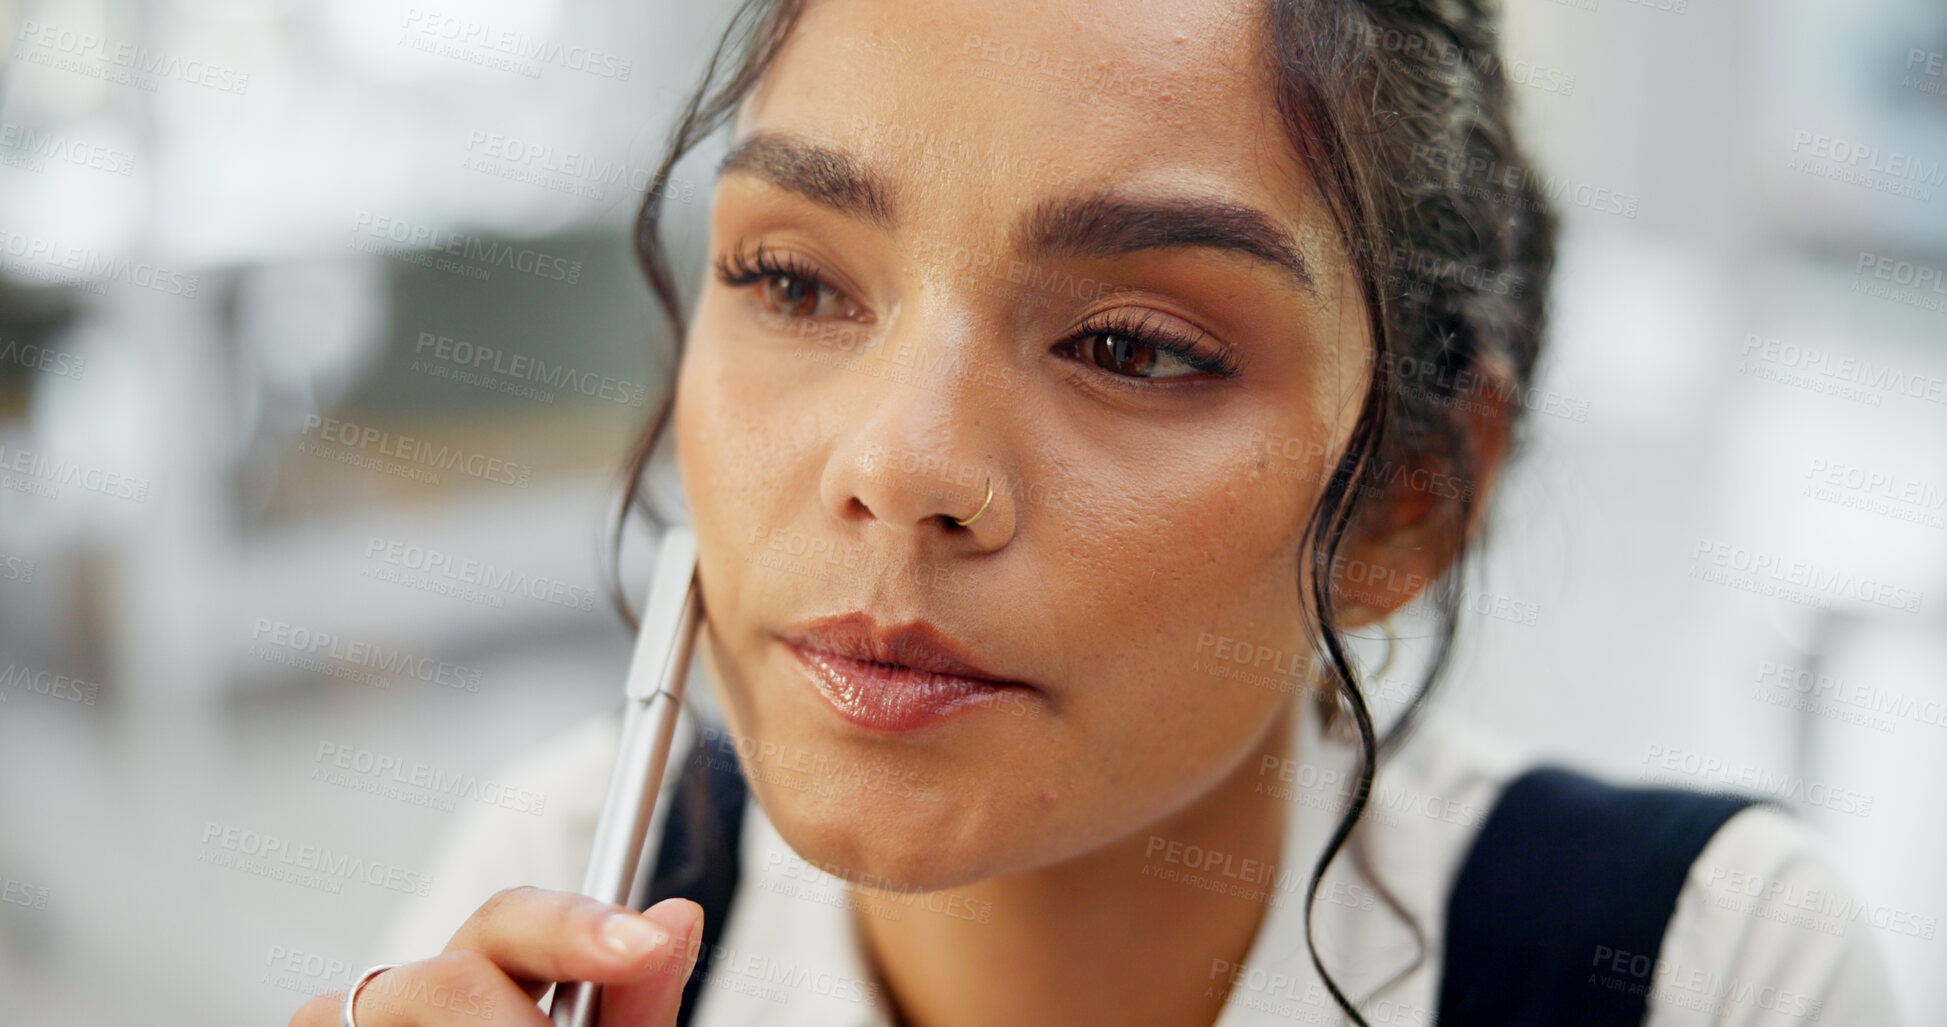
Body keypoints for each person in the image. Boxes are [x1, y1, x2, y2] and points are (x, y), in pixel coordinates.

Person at [290, 0, 1903, 1024]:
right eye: (790, 279)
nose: (902, 466)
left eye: (1132, 346)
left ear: (1412, 498)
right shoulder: (564, 880)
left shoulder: (1702, 969)